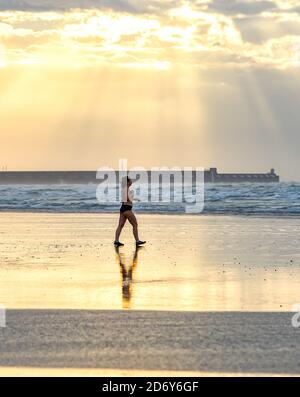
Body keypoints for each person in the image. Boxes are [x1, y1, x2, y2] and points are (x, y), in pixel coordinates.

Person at [114, 176, 146, 247]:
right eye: (130, 180)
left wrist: (135, 198)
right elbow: (128, 199)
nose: (131, 182)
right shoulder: (126, 189)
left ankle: (116, 241)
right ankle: (137, 241)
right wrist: (132, 195)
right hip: (127, 209)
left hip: (123, 208)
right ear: (128, 182)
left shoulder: (125, 189)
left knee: (120, 225)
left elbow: (125, 199)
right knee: (135, 225)